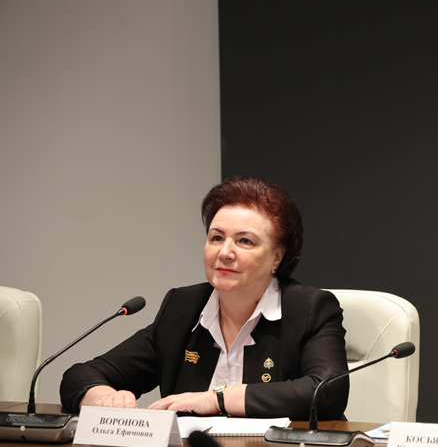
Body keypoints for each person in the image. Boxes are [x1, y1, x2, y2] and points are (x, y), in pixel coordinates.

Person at [60, 177, 349, 420]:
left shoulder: (308, 309)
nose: (225, 252)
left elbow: (328, 391)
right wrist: (102, 396)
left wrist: (218, 398)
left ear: (277, 257)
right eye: (216, 238)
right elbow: (81, 375)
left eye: (245, 241)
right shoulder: (183, 309)